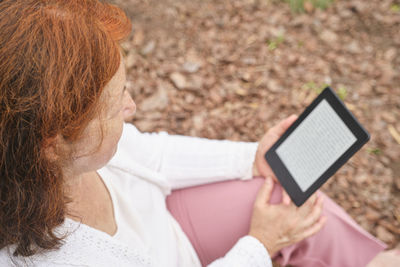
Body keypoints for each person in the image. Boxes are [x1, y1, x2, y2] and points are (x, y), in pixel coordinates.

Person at [0, 0, 396, 266]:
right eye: (116, 102)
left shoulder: (55, 152)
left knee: (291, 198)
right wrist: (259, 246)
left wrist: (248, 158)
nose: (132, 107)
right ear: (53, 145)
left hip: (173, 227)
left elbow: (152, 154)